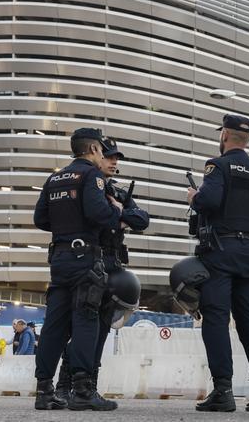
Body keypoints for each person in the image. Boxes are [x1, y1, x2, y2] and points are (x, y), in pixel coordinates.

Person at [187, 114, 249, 412]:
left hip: (219, 253)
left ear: (225, 135)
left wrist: (194, 197)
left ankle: (223, 391)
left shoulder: (218, 166)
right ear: (248, 139)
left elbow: (209, 201)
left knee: (215, 318)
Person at [33, 128, 122, 411]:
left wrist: (64, 227)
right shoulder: (91, 175)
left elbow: (40, 219)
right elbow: (99, 214)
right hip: (85, 257)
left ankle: (44, 391)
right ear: (94, 149)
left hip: (59, 258)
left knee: (54, 324)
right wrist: (116, 211)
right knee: (86, 318)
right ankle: (83, 390)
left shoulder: (55, 177)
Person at [55, 136, 149, 402]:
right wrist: (119, 216)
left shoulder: (118, 192)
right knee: (79, 329)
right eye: (109, 156)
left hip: (112, 267)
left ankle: (88, 385)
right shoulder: (86, 186)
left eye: (116, 157)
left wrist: (119, 212)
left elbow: (142, 219)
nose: (114, 161)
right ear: (96, 154)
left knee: (102, 329)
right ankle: (65, 385)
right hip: (88, 262)